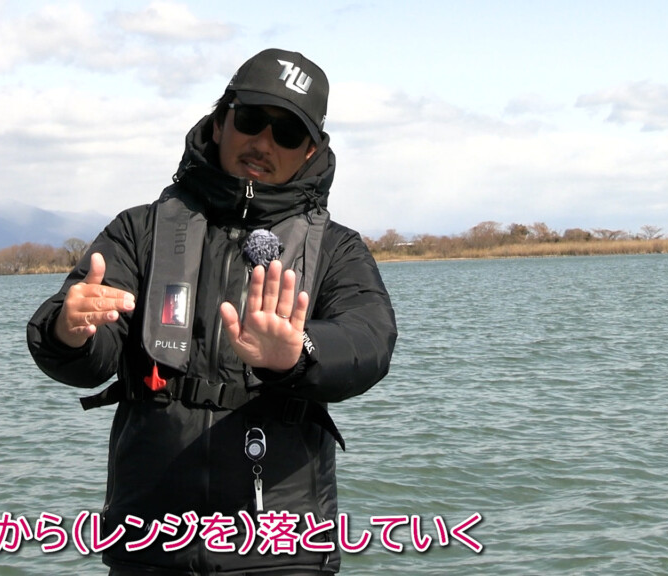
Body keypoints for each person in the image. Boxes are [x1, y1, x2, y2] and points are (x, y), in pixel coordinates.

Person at [27, 48, 397, 575]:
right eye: (251, 120)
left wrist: (299, 353)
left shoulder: (337, 248)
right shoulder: (140, 231)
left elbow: (370, 339)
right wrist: (70, 330)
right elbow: (88, 356)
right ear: (221, 121)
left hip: (282, 551)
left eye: (287, 132)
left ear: (310, 151)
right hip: (149, 544)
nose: (263, 142)